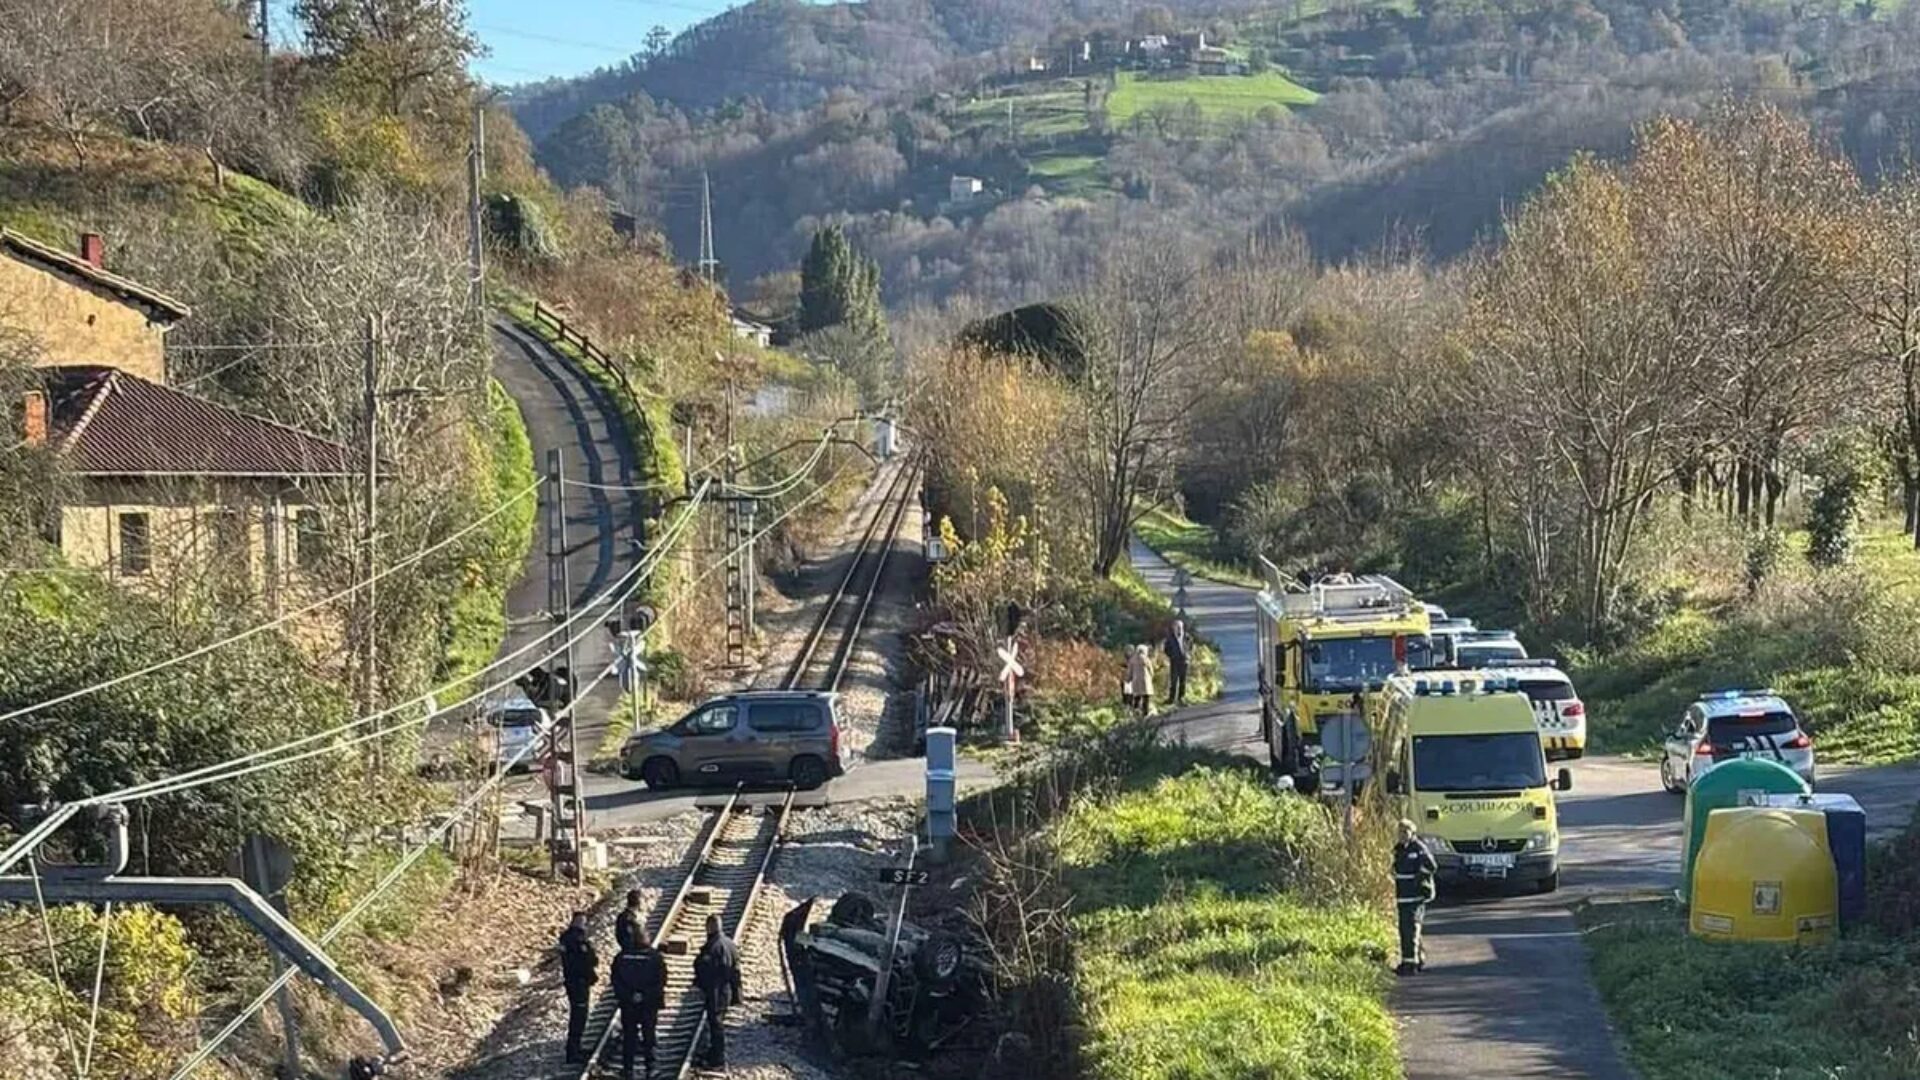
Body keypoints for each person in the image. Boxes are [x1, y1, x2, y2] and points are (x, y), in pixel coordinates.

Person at [611, 930, 668, 1078]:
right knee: (649, 1035)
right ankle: (651, 1067)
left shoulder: (622, 957)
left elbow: (616, 981)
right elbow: (661, 982)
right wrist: (645, 995)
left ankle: (628, 1068)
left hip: (628, 1004)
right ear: (647, 939)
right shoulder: (655, 958)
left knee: (629, 1035)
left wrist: (630, 995)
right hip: (649, 1004)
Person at [692, 913, 743, 1068]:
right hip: (725, 990)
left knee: (716, 1023)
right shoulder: (729, 943)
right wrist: (737, 993)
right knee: (717, 1022)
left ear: (709, 927)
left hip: (716, 990)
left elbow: (707, 970)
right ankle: (714, 1053)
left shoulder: (714, 947)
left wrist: (700, 984)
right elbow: (736, 970)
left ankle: (717, 1058)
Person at [1392, 819, 1438, 975]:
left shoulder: (1418, 848)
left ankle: (1410, 965)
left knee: (1411, 929)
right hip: (1402, 896)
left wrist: (1418, 879)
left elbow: (1431, 866)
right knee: (1405, 930)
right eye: (1400, 832)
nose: (1402, 835)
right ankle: (1415, 959)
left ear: (1412, 833)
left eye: (1406, 832)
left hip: (1416, 897)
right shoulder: (1398, 849)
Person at [558, 911, 599, 1063]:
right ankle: (573, 1052)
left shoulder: (567, 938)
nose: (584, 925)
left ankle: (575, 1049)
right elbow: (588, 960)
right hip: (578, 983)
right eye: (582, 921)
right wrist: (591, 975)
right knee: (579, 1016)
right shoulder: (577, 940)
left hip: (573, 982)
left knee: (578, 1016)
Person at [1162, 619, 1190, 706]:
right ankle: (1171, 699)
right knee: (1173, 681)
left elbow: (1191, 646)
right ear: (1173, 628)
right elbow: (1166, 649)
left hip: (1184, 661)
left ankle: (1181, 698)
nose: (1179, 629)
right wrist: (1172, 656)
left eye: (1180, 627)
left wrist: (1188, 654)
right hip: (1175, 662)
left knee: (1183, 681)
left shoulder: (1186, 637)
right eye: (1177, 627)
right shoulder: (1170, 638)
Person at [1125, 643, 1153, 716]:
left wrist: (1128, 679)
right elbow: (1151, 670)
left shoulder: (1132, 660)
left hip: (1136, 681)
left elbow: (1129, 671)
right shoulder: (1146, 659)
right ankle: (1145, 713)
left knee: (1137, 697)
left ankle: (1136, 711)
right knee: (1146, 698)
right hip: (1145, 681)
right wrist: (1151, 676)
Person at [615, 888, 643, 952]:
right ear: (638, 902)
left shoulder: (624, 916)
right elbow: (628, 936)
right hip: (632, 950)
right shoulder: (628, 917)